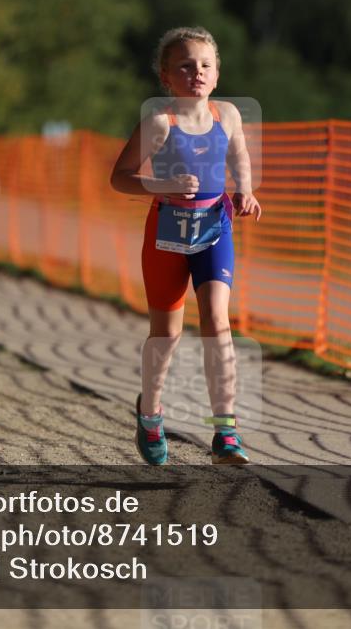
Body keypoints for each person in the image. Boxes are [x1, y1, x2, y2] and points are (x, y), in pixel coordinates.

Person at [111, 27, 262, 465]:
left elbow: (238, 156)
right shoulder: (159, 123)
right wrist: (164, 183)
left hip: (215, 227)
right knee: (168, 335)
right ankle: (151, 414)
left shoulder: (228, 114)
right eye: (185, 65)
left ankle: (226, 433)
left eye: (205, 65)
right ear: (166, 77)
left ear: (216, 75)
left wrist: (245, 191)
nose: (196, 72)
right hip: (167, 233)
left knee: (217, 319)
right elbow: (119, 178)